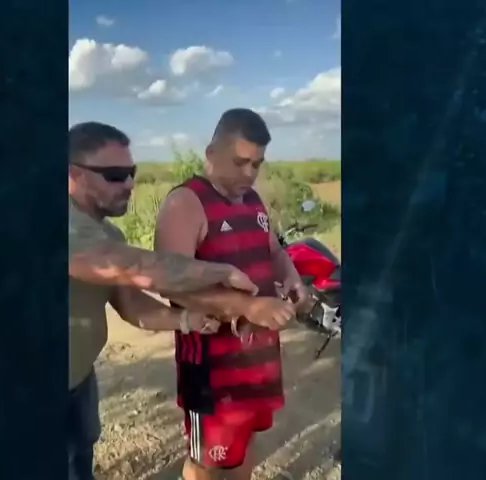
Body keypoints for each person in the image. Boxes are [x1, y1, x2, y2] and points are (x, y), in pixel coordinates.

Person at [67, 121, 291, 480]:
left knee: (78, 461)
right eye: (115, 175)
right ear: (73, 174)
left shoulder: (108, 233)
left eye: (131, 173)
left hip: (77, 379)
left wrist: (185, 320)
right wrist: (227, 281)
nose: (129, 184)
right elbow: (134, 266)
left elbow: (131, 303)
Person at [154, 109, 312, 480]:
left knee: (244, 447)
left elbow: (273, 250)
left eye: (257, 164)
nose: (249, 173)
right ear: (211, 154)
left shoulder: (253, 200)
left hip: (258, 362)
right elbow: (169, 283)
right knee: (207, 462)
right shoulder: (186, 203)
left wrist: (291, 277)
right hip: (211, 371)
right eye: (240, 162)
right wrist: (248, 306)